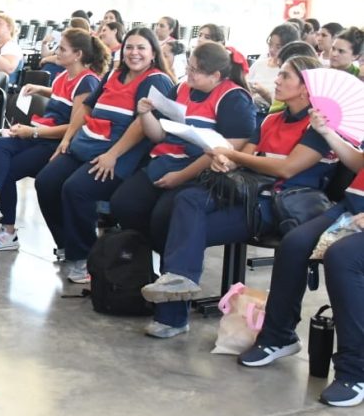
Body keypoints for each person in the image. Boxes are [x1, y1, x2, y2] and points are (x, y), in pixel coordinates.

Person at [140, 56, 334, 338]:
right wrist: (226, 162)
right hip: (249, 191)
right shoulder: (271, 119)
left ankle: (173, 316)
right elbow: (249, 156)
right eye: (279, 75)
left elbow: (287, 167)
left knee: (187, 230)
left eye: (285, 77)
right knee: (188, 199)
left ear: (306, 88)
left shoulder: (317, 128)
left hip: (278, 203)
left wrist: (234, 156)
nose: (276, 81)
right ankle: (177, 287)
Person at [237, 109, 364, 407]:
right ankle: (278, 336)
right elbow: (359, 162)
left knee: (342, 259)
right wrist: (329, 133)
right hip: (352, 205)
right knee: (294, 244)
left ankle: (355, 370)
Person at [35, 27, 175, 282]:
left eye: (141, 48)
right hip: (87, 144)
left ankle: (85, 258)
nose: (134, 53)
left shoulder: (157, 80)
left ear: (153, 52)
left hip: (122, 154)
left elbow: (140, 125)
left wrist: (112, 155)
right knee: (46, 181)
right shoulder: (114, 74)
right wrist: (66, 139)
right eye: (130, 47)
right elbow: (87, 106)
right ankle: (67, 244)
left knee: (76, 189)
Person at [109, 42, 257, 253]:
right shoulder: (180, 88)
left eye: (195, 70)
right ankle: (142, 264)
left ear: (215, 76)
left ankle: (169, 266)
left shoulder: (234, 99)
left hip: (201, 172)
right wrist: (145, 114)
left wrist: (180, 176)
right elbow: (159, 135)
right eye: (189, 66)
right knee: (124, 203)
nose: (188, 73)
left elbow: (225, 151)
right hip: (165, 162)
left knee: (164, 217)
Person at [0, 28, 107, 251]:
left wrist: (32, 132)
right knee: (0, 145)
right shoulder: (64, 76)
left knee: (7, 168)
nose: (56, 52)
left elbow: (74, 126)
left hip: (55, 142)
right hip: (41, 133)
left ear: (78, 54)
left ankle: (4, 222)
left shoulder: (87, 82)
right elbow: (62, 96)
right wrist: (41, 90)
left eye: (62, 49)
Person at [247, 23, 302, 111]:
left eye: (278, 47)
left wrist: (263, 92)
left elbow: (283, 106)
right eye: (270, 44)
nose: (272, 49)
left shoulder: (289, 71)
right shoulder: (259, 64)